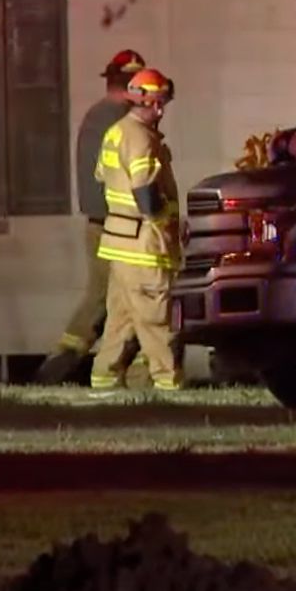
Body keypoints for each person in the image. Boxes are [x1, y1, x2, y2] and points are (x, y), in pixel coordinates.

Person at [33, 49, 147, 385]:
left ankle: (85, 366)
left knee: (114, 298)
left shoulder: (97, 118)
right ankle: (61, 368)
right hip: (119, 225)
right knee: (124, 297)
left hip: (104, 222)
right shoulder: (120, 123)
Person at [89, 67, 183, 394]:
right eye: (161, 103)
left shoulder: (115, 132)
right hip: (144, 244)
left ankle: (104, 378)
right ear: (154, 104)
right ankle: (168, 380)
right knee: (156, 318)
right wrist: (166, 223)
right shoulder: (142, 137)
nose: (162, 110)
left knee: (122, 318)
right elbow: (145, 191)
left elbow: (102, 175)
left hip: (117, 242)